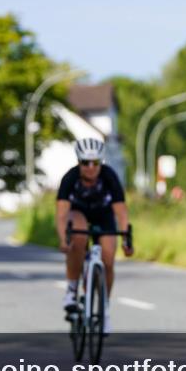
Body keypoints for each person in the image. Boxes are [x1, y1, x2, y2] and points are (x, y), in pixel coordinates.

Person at [55, 137, 133, 334]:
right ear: (78, 162)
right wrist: (63, 238)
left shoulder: (109, 177)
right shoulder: (70, 178)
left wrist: (126, 238)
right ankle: (72, 290)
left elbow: (121, 211)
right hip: (78, 213)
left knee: (108, 258)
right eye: (85, 163)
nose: (91, 167)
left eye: (96, 162)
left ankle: (104, 310)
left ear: (101, 162)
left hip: (103, 215)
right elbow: (62, 213)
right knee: (78, 237)